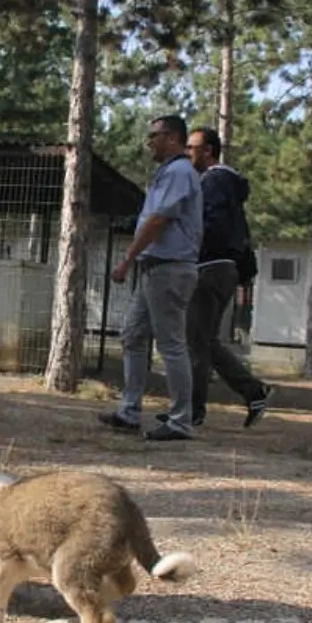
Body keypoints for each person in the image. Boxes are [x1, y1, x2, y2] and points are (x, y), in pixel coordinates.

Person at [98, 115, 203, 441]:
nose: (149, 142)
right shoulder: (168, 173)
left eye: (154, 135)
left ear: (172, 139)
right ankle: (129, 412)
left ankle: (180, 421)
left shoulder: (178, 172)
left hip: (169, 268)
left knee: (171, 344)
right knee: (133, 335)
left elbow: (158, 220)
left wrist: (127, 259)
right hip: (155, 268)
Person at [184, 127, 272, 428]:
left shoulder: (213, 180)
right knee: (205, 341)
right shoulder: (226, 183)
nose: (187, 153)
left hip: (209, 267)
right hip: (224, 269)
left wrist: (191, 244)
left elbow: (211, 223)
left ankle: (190, 412)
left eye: (191, 147)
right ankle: (253, 390)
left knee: (194, 341)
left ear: (208, 151)